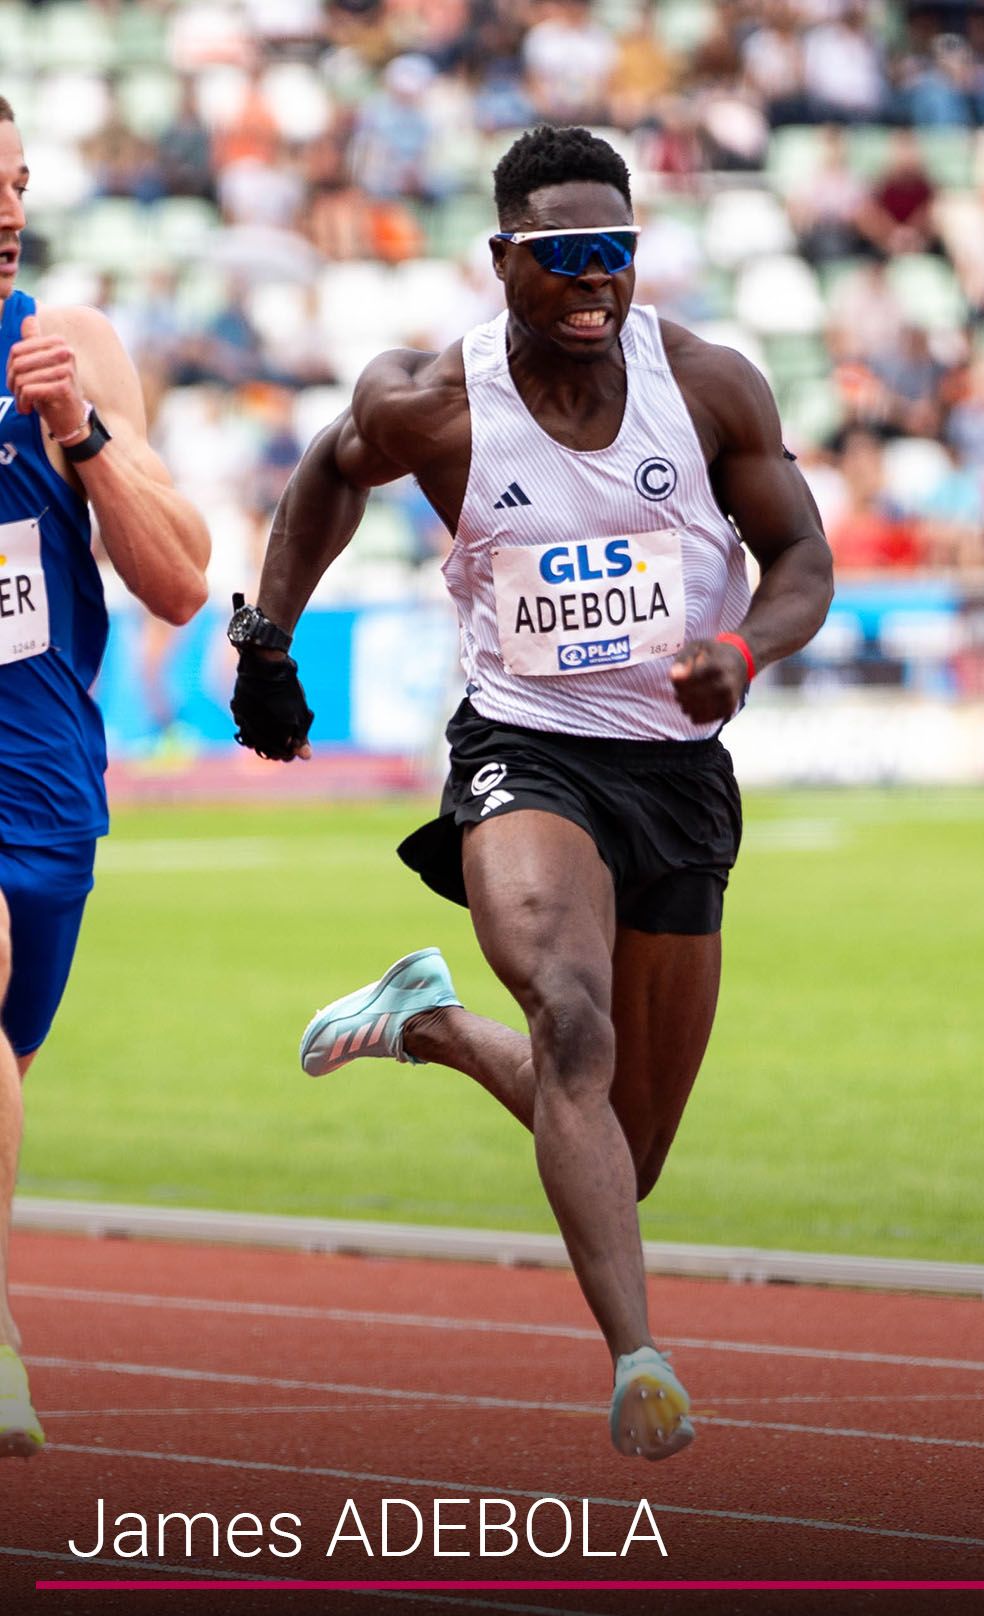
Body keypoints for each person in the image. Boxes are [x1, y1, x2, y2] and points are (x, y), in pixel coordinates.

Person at [228, 124, 833, 1460]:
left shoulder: (708, 386)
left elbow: (801, 554)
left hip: (678, 767)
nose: (591, 277)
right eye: (561, 254)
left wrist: (744, 650)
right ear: (501, 258)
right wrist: (267, 640)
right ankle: (639, 1361)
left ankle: (431, 1026)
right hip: (527, 744)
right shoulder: (433, 400)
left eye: (613, 250)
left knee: (627, 1149)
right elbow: (330, 469)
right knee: (569, 1016)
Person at [0, 98, 211, 1457]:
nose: (7, 208)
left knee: (9, 1051)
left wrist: (79, 432)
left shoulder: (71, 347)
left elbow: (182, 581)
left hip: (43, 784)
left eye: (18, 181)